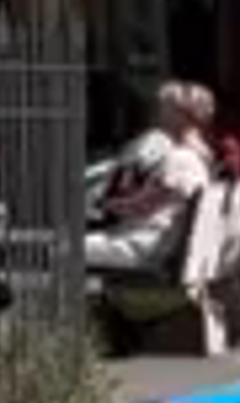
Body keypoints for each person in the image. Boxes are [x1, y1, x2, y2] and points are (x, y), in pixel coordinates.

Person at [86, 75, 218, 297]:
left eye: (164, 110)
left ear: (180, 116)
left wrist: (102, 205)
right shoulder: (200, 157)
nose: (157, 116)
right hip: (161, 242)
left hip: (148, 246)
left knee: (65, 249)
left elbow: (140, 206)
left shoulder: (181, 160)